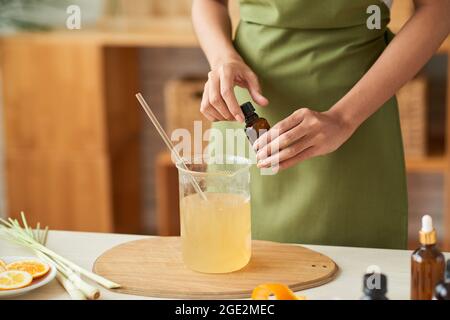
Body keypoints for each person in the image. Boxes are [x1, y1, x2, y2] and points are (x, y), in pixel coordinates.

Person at [191, 0, 450, 248]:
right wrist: (223, 58)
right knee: (236, 266)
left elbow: (438, 8)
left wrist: (344, 118)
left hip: (358, 109)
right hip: (246, 105)